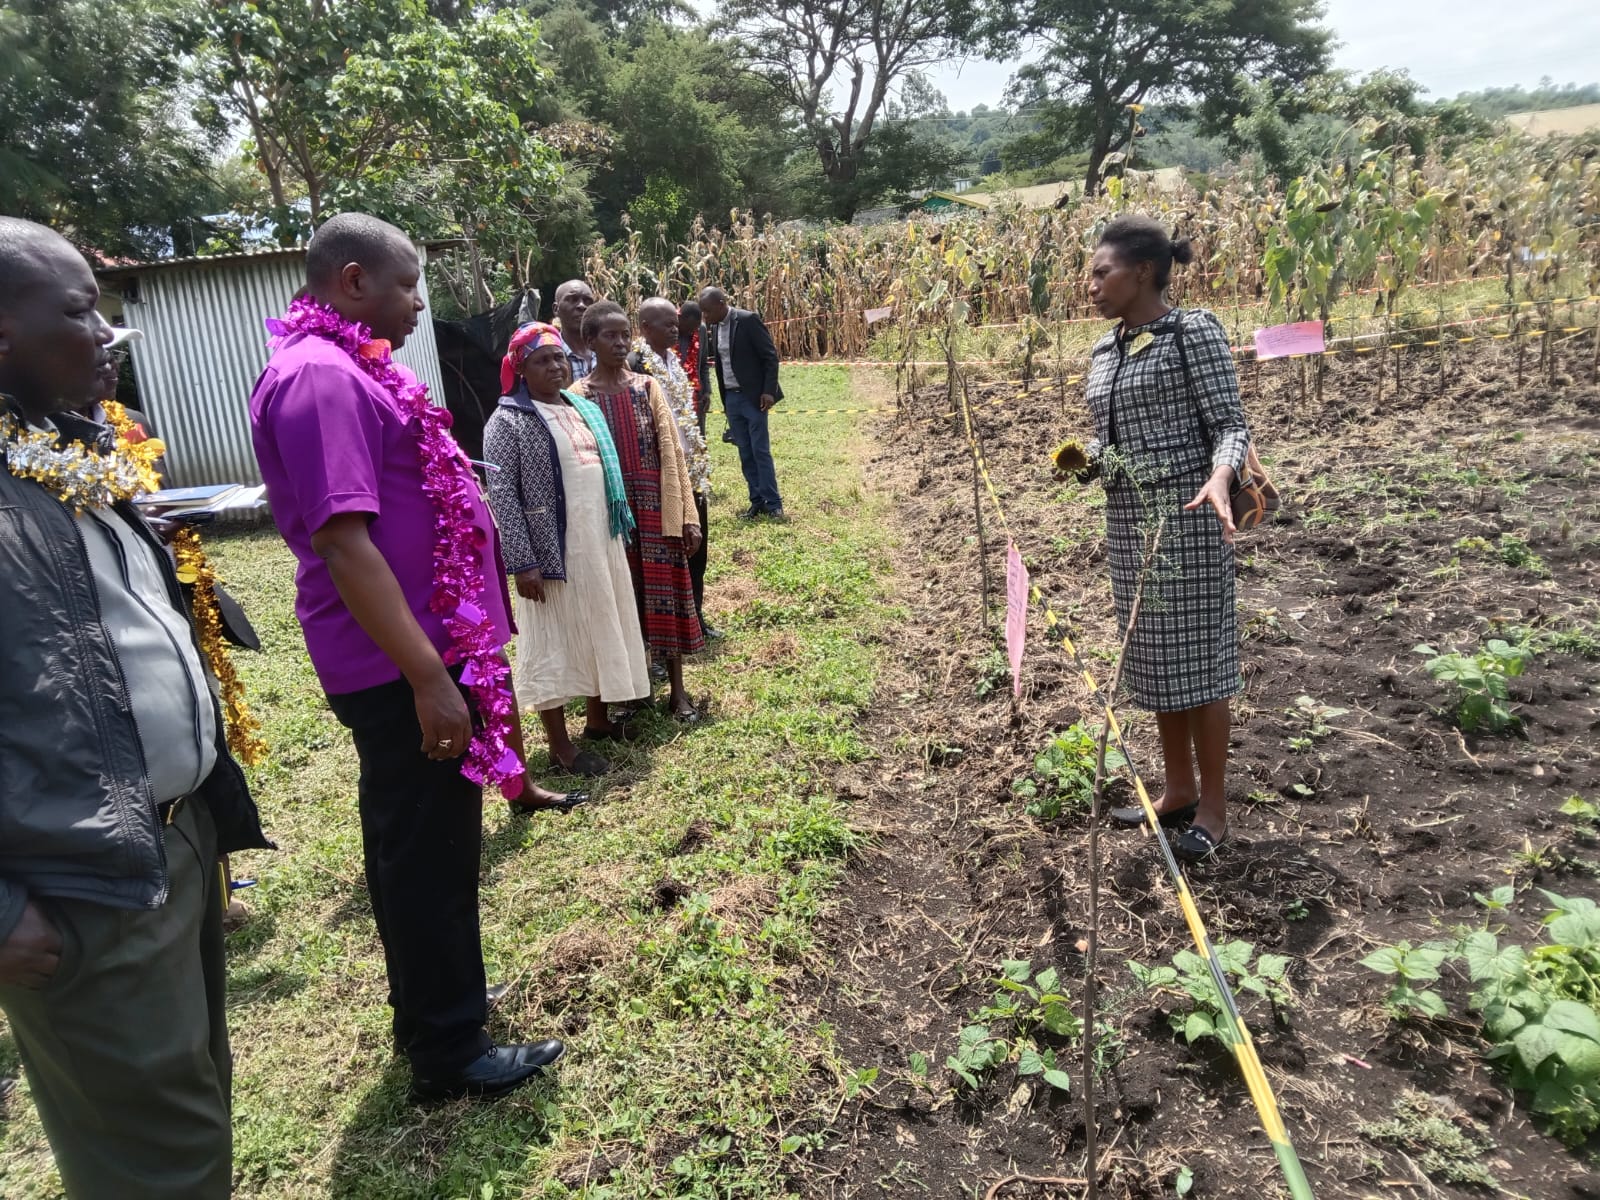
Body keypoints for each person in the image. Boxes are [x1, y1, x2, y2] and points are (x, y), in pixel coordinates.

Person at [248, 212, 568, 1103]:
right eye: (407, 284)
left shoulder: (348, 369)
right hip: (402, 664)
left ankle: (436, 1002)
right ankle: (449, 1047)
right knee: (427, 848)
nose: (420, 304)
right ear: (353, 283)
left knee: (414, 842)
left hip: (421, 652)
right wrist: (431, 678)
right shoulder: (320, 379)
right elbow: (347, 544)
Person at [0, 216, 271, 1198]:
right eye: (79, 309)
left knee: (189, 1105)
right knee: (153, 1161)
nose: (109, 333)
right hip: (79, 889)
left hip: (176, 839)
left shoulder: (71, 453)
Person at [1068, 215, 1250, 863]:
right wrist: (1087, 458)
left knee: (1201, 669)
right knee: (1157, 661)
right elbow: (1111, 434)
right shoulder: (1106, 349)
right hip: (1129, 524)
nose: (1091, 284)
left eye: (1101, 272)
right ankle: (1176, 790)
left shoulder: (1189, 333)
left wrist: (1222, 477)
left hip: (1191, 518)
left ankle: (1214, 809)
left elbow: (1230, 424)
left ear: (1141, 272)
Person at [484, 322, 649, 779]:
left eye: (558, 357)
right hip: (550, 551)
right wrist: (523, 563)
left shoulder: (580, 407)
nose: (555, 366)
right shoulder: (506, 421)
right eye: (542, 360)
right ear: (521, 369)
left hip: (598, 539)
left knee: (598, 620)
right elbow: (503, 496)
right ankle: (560, 746)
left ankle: (596, 723)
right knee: (553, 638)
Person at [575, 301, 705, 721]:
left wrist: (686, 514)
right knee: (621, 600)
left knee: (666, 594)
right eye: (608, 335)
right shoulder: (579, 397)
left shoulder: (647, 388)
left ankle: (678, 692)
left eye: (623, 334)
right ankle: (632, 691)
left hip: (654, 505)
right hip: (609, 514)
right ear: (590, 341)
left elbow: (672, 454)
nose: (619, 342)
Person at [631, 297, 718, 639]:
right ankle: (668, 629)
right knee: (670, 549)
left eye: (675, 322)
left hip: (691, 466)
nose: (674, 328)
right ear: (645, 328)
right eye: (665, 323)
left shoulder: (674, 360)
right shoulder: (637, 364)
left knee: (700, 544)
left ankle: (696, 615)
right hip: (662, 472)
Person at [697, 286, 784, 518]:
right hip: (732, 398)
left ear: (721, 303)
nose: (705, 317)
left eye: (707, 311)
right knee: (745, 451)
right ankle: (756, 501)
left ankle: (773, 503)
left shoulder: (747, 320)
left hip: (753, 397)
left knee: (760, 450)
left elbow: (770, 357)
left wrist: (768, 391)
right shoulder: (713, 328)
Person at [677, 299, 711, 433]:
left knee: (698, 436)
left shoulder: (701, 330)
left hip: (695, 395)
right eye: (689, 327)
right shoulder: (667, 331)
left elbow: (703, 364)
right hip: (673, 394)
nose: (692, 331)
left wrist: (707, 391)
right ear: (679, 318)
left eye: (695, 328)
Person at [553, 279, 597, 382]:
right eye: (572, 299)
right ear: (556, 309)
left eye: (588, 301)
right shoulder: (548, 356)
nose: (582, 306)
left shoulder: (605, 352)